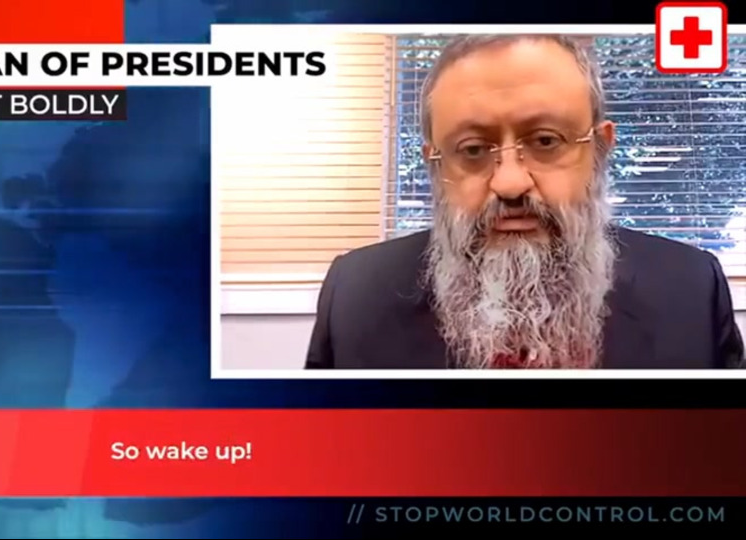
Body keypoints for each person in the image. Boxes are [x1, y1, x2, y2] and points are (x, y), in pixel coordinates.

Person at [305, 34, 744, 369]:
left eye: (546, 141)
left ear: (600, 149)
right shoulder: (356, 297)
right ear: (435, 165)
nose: (510, 183)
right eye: (472, 149)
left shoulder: (689, 291)